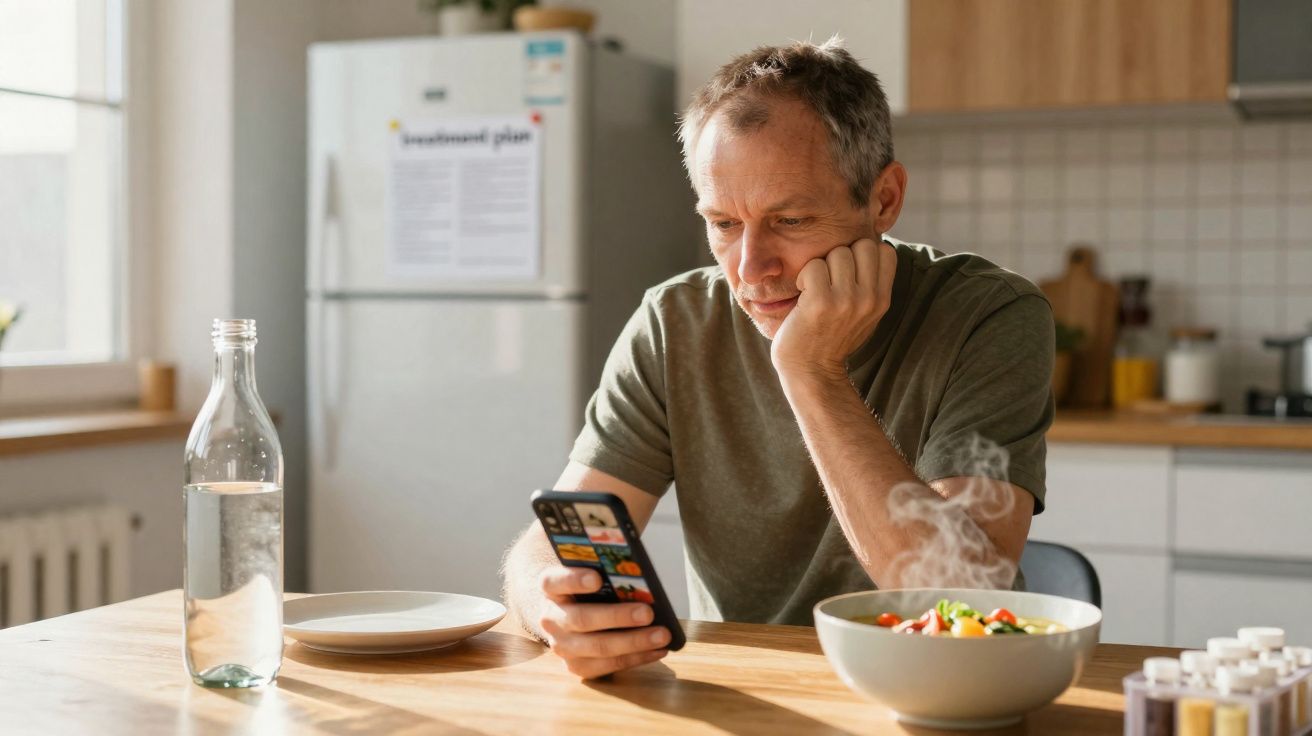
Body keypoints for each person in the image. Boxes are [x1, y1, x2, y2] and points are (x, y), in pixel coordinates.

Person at [501, 37, 1054, 679]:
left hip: (927, 692)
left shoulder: (989, 314)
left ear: (883, 200)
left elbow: (964, 599)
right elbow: (557, 538)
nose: (750, 270)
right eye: (724, 224)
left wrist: (811, 371)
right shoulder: (674, 321)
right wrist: (546, 599)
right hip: (740, 694)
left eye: (790, 221)